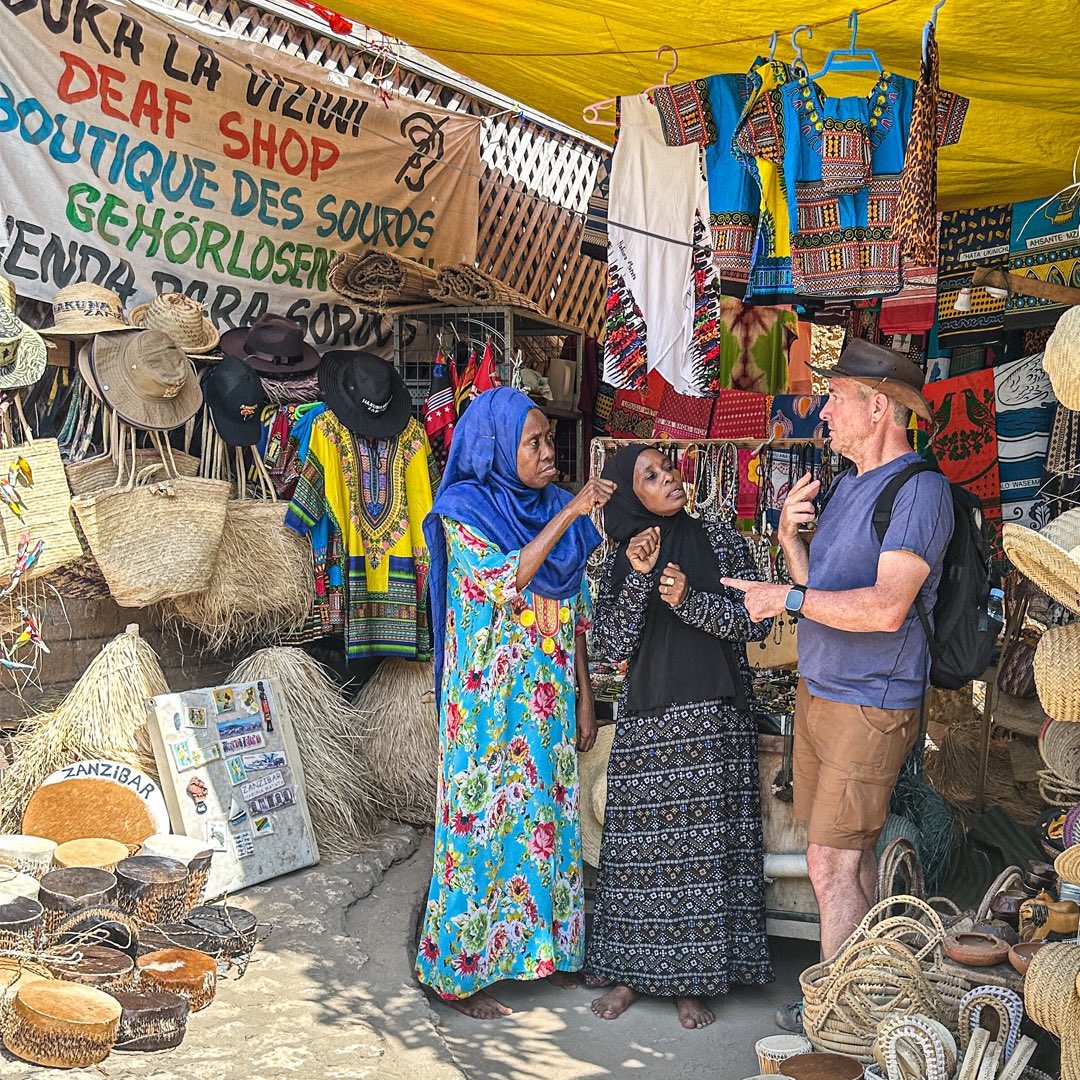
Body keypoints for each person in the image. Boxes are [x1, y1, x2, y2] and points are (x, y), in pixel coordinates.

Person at [722, 340, 953, 1033]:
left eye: (834, 398)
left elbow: (884, 608)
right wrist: (791, 545)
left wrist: (784, 599)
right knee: (848, 858)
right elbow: (823, 593)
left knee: (828, 861)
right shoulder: (850, 485)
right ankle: (859, 997)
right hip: (821, 692)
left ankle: (834, 1017)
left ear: (877, 407)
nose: (822, 411)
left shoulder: (921, 491)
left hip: (870, 700)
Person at [415, 387, 615, 1019]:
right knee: (481, 833)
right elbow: (508, 578)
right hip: (486, 709)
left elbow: (573, 611)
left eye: (550, 439)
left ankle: (543, 953)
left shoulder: (553, 506)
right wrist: (574, 510)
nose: (548, 451)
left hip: (545, 706)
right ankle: (458, 977)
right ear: (498, 447)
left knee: (545, 827)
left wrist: (585, 697)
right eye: (533, 442)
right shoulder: (464, 512)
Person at [585, 446, 774, 1030]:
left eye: (667, 467)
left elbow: (757, 620)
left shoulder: (717, 535)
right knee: (638, 856)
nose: (669, 477)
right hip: (648, 723)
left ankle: (691, 983)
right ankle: (628, 975)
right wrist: (639, 580)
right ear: (629, 494)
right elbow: (609, 646)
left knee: (701, 860)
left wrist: (690, 602)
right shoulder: (619, 556)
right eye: (651, 475)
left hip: (714, 721)